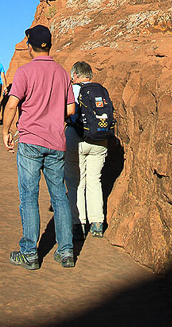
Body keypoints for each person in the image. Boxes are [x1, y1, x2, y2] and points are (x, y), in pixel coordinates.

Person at [3, 25, 75, 270]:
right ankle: (66, 252)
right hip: (56, 142)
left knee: (29, 197)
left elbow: (12, 104)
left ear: (29, 45)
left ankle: (30, 253)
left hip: (31, 140)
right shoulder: (63, 73)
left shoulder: (24, 72)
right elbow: (70, 109)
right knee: (60, 198)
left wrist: (6, 131)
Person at [65, 61, 108, 238]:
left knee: (76, 181)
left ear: (75, 75)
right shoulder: (100, 90)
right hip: (100, 139)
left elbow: (66, 112)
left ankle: (79, 223)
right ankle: (97, 223)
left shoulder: (73, 90)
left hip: (77, 137)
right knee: (94, 180)